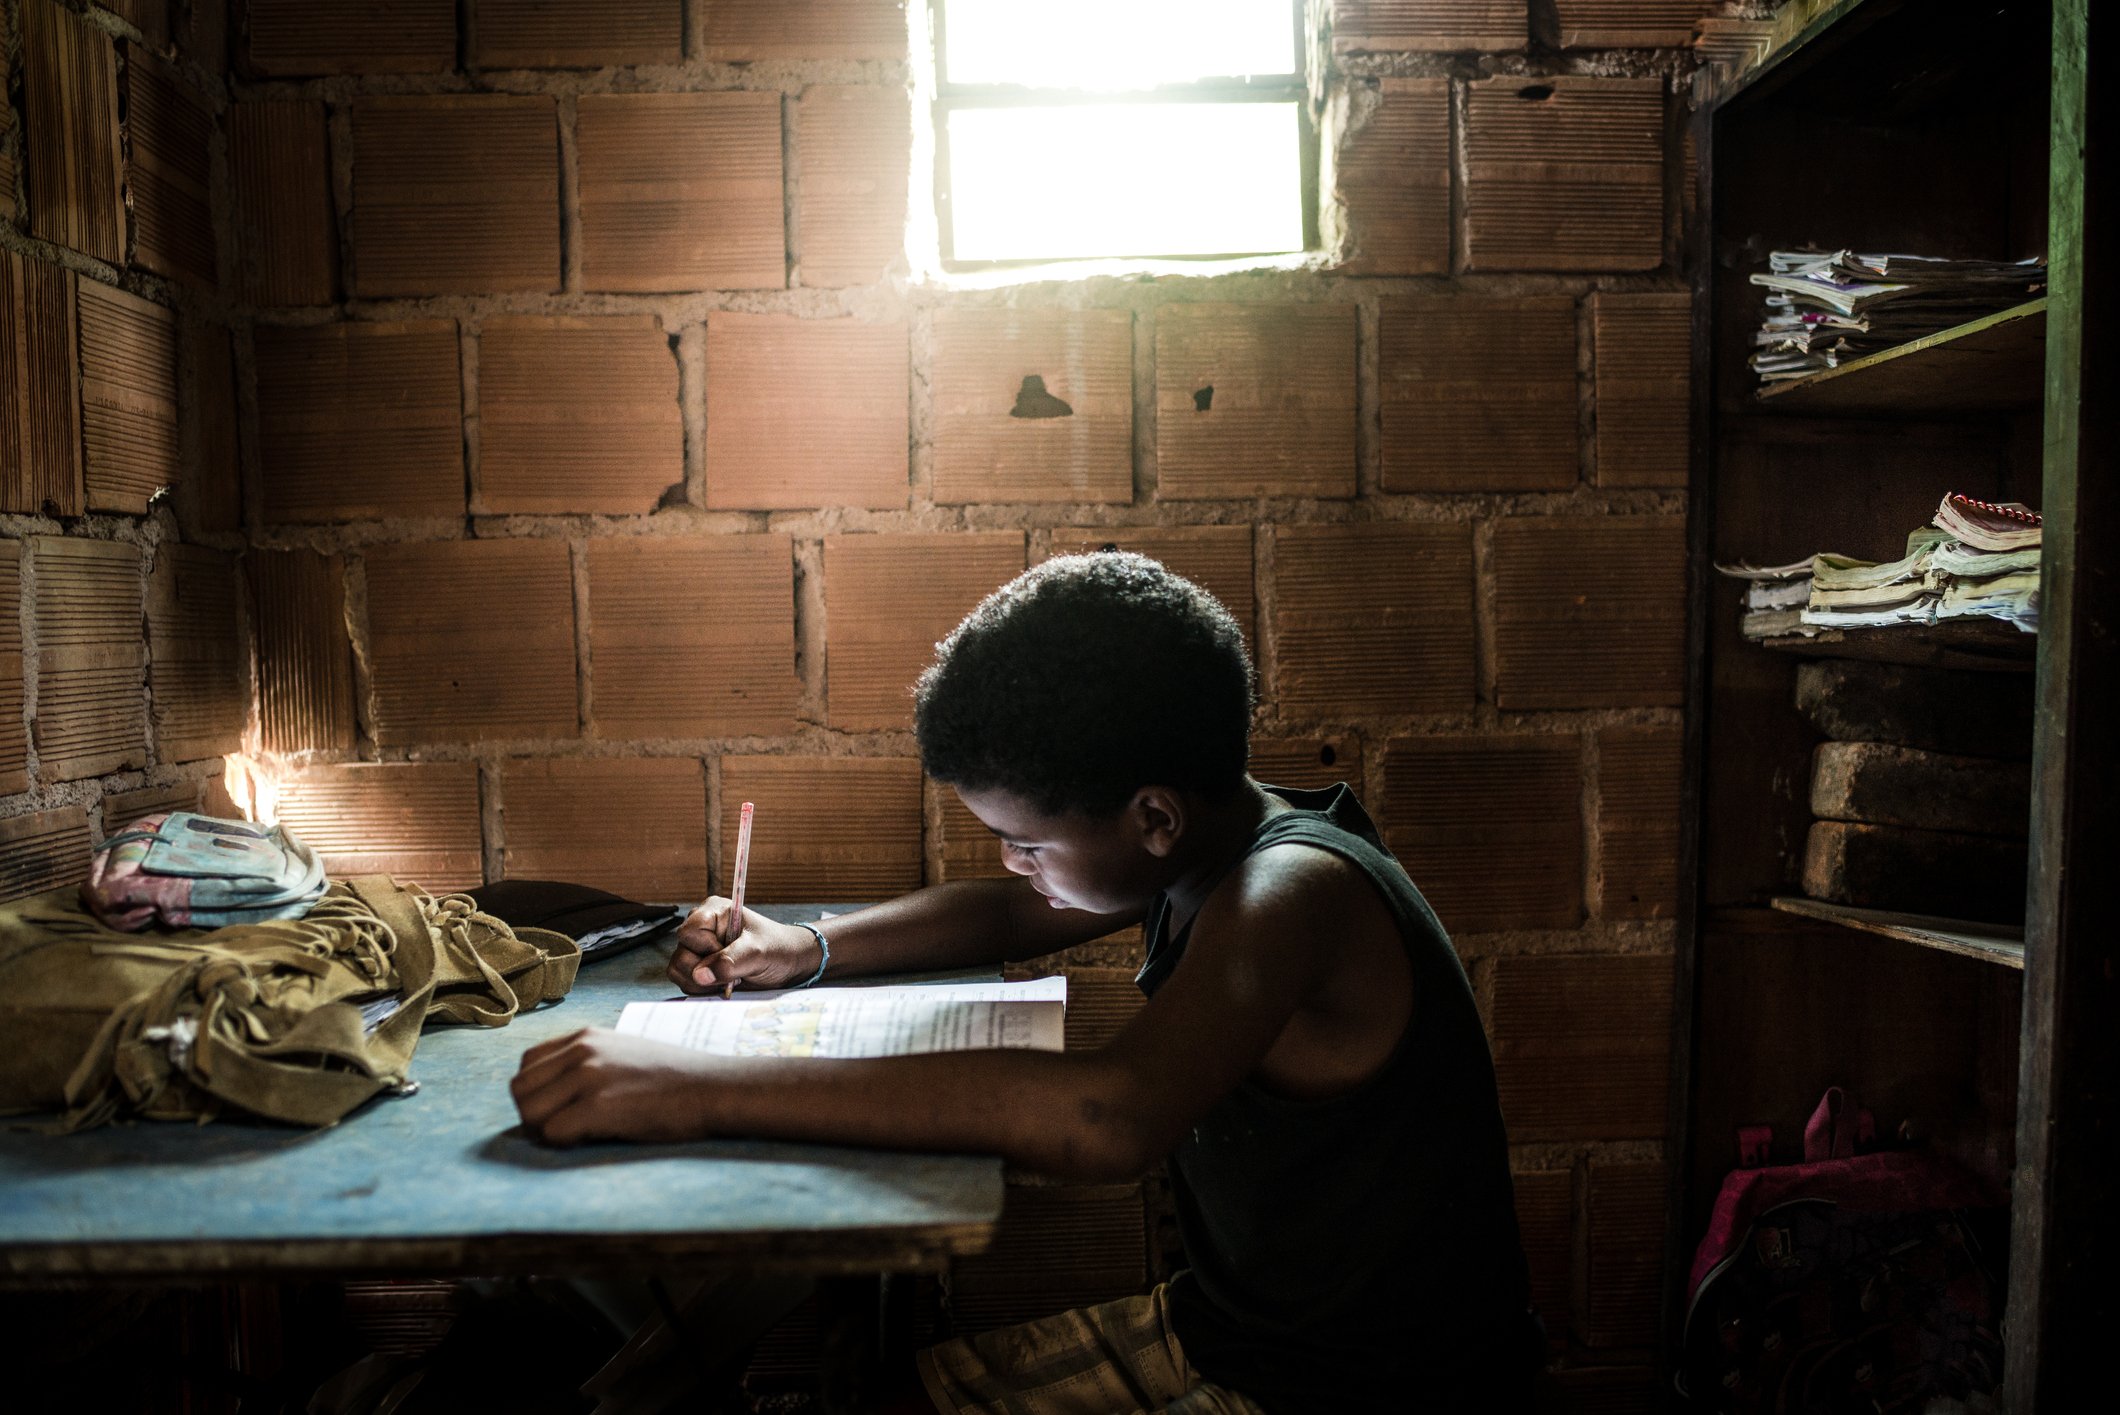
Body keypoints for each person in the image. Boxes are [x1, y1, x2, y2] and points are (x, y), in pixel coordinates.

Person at [511, 552, 1539, 1413]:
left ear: (1150, 817)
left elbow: (1109, 1112)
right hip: (1240, 1332)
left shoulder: (1289, 894)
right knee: (883, 1392)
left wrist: (686, 1084)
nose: (1013, 863)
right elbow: (1014, 912)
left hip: (1364, 1389)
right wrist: (807, 947)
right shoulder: (1196, 849)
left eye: (1023, 840)